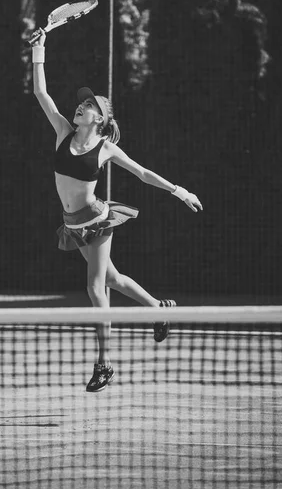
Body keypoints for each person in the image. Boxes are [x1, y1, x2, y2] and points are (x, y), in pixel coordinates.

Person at [32, 29, 203, 392]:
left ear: (100, 118)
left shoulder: (106, 147)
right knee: (111, 279)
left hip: (96, 219)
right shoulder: (63, 131)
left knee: (95, 287)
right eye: (81, 103)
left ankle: (104, 363)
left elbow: (142, 173)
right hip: (72, 224)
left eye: (89, 105)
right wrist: (39, 50)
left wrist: (179, 190)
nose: (80, 106)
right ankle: (158, 308)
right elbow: (41, 93)